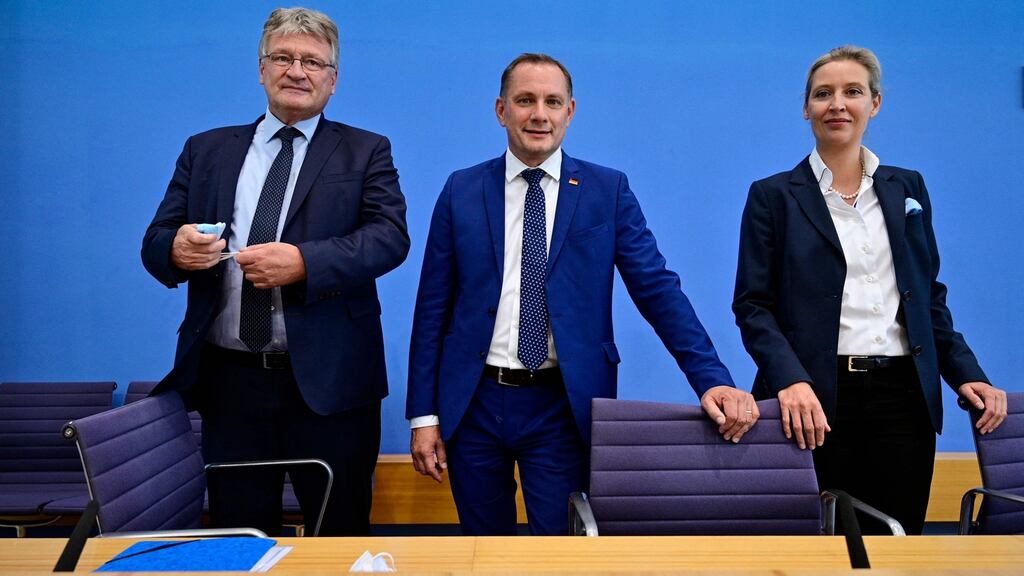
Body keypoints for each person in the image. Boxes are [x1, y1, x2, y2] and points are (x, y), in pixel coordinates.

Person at [406, 53, 757, 536]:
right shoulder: (462, 189)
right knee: (484, 552)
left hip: (562, 404)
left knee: (559, 551)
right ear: (500, 109)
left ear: (570, 111)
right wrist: (423, 415)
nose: (539, 114)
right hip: (474, 402)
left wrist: (711, 378)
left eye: (552, 102)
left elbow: (657, 289)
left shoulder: (605, 190)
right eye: (525, 100)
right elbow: (432, 310)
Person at [141, 7, 409, 536]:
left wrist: (306, 262)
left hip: (332, 385)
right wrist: (175, 249)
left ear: (333, 80)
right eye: (283, 57)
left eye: (312, 61)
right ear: (261, 69)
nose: (297, 71)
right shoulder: (207, 149)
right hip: (230, 382)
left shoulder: (366, 149)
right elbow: (155, 239)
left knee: (339, 534)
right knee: (238, 536)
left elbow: (389, 238)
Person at [733, 45, 1007, 534]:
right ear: (806, 108)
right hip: (814, 400)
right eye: (823, 94)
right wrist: (790, 381)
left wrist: (967, 372)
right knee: (818, 548)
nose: (837, 104)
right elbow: (753, 307)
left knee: (897, 544)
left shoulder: (908, 188)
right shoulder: (772, 196)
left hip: (904, 399)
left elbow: (927, 298)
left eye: (852, 92)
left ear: (874, 104)